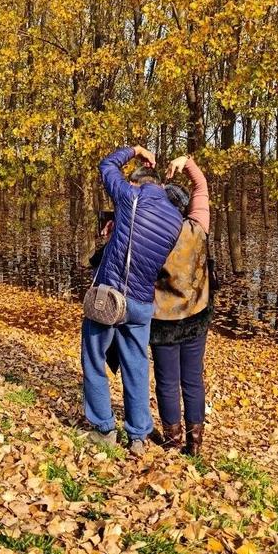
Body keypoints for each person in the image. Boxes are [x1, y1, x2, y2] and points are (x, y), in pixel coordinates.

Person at [81, 145, 183, 456]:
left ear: (135, 182)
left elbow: (106, 165)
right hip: (141, 304)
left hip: (111, 296)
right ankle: (138, 435)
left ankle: (104, 428)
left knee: (93, 359)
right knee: (136, 367)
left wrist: (136, 150)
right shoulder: (175, 219)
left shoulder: (130, 196)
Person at [150, 154, 211, 457]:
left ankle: (173, 440)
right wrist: (186, 162)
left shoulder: (151, 235)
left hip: (163, 320)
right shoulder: (198, 226)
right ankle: (194, 443)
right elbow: (201, 188)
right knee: (193, 380)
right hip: (196, 316)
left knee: (167, 382)